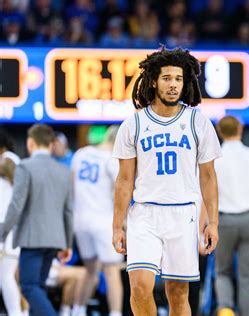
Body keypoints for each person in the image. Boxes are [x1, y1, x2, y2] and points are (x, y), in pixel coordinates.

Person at [112, 46, 222, 316]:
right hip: (145, 213)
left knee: (178, 293)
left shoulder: (198, 121)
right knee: (139, 286)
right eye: (167, 78)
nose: (173, 85)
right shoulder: (134, 124)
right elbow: (124, 180)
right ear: (153, 80)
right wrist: (117, 225)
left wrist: (213, 222)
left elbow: (208, 177)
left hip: (183, 213)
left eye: (179, 79)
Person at [0, 124, 74, 316]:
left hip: (32, 238)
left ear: (31, 142)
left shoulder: (25, 167)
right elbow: (68, 211)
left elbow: (16, 206)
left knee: (29, 287)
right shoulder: (64, 171)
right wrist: (67, 244)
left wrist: (3, 232)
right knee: (38, 288)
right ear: (50, 144)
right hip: (55, 239)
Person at [213, 116, 249, 316]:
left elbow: (207, 197)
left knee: (222, 271)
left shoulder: (213, 159)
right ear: (240, 128)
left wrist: (202, 227)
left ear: (220, 132)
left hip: (224, 221)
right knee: (247, 275)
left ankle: (226, 309)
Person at [70, 125, 123, 316]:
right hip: (103, 221)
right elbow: (119, 193)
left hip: (81, 221)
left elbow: (72, 187)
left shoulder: (80, 154)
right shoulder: (113, 161)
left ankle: (77, 310)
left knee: (90, 269)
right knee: (111, 270)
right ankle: (115, 313)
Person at [0, 131, 22, 316]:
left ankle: (16, 313)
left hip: (7, 229)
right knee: (8, 277)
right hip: (8, 227)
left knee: (6, 277)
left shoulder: (9, 158)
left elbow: (10, 168)